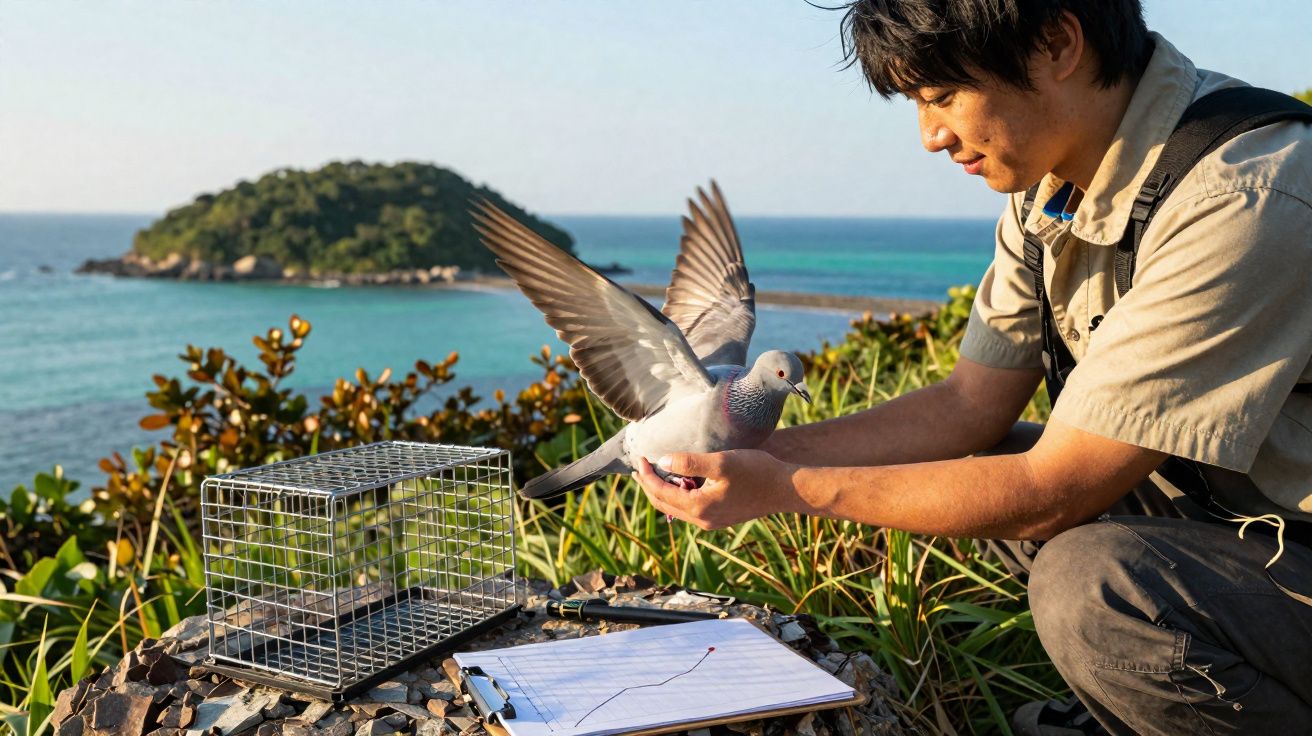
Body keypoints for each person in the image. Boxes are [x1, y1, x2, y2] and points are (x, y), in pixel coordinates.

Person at [631, 1, 1312, 733]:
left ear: (1056, 42)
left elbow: (1053, 489)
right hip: (1235, 523)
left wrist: (787, 487)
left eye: (942, 96)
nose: (930, 136)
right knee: (973, 459)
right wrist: (747, 453)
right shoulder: (1048, 186)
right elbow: (966, 408)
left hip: (1289, 547)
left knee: (1089, 588)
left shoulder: (1244, 195)